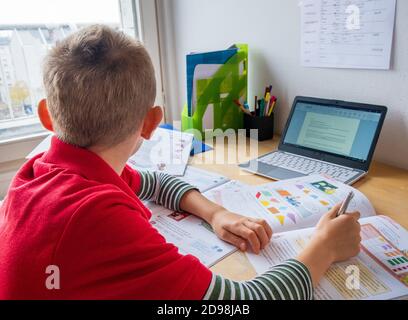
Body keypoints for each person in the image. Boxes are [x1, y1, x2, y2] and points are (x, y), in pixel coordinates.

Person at [0, 25, 361, 300]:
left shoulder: (39, 171)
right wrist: (325, 246)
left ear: (47, 116)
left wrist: (216, 214)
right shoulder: (97, 216)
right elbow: (243, 301)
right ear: (151, 123)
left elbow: (154, 183)